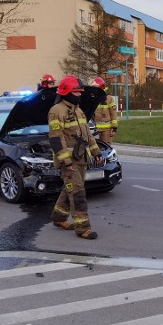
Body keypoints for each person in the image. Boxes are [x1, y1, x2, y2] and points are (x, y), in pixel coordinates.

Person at [47, 76, 103, 239]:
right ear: (66, 93)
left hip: (80, 158)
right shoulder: (56, 111)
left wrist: (96, 152)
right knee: (77, 193)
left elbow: (87, 135)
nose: (79, 95)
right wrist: (66, 162)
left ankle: (58, 218)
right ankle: (83, 228)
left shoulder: (79, 111)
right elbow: (56, 138)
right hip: (69, 161)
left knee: (70, 189)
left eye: (80, 92)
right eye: (76, 92)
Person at [91, 76, 118, 144]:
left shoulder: (109, 99)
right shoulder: (91, 99)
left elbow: (113, 114)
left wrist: (114, 128)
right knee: (95, 149)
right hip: (94, 129)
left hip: (107, 130)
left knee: (106, 148)